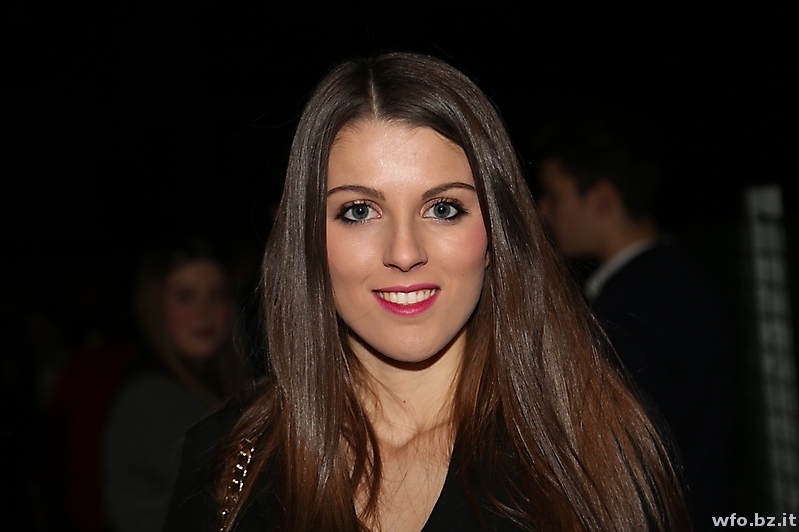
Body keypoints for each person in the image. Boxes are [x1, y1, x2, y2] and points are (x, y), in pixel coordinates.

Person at [164, 53, 690, 531]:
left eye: (443, 208)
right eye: (359, 211)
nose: (404, 251)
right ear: (309, 241)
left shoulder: (596, 449)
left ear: (496, 233)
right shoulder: (228, 462)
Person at [536, 120, 732, 529]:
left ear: (603, 200)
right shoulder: (676, 281)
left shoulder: (634, 309)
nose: (542, 211)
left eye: (554, 195)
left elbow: (627, 461)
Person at [103, 241, 242, 532]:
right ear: (155, 308)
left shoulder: (233, 387)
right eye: (185, 296)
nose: (204, 311)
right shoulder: (151, 401)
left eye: (217, 294)